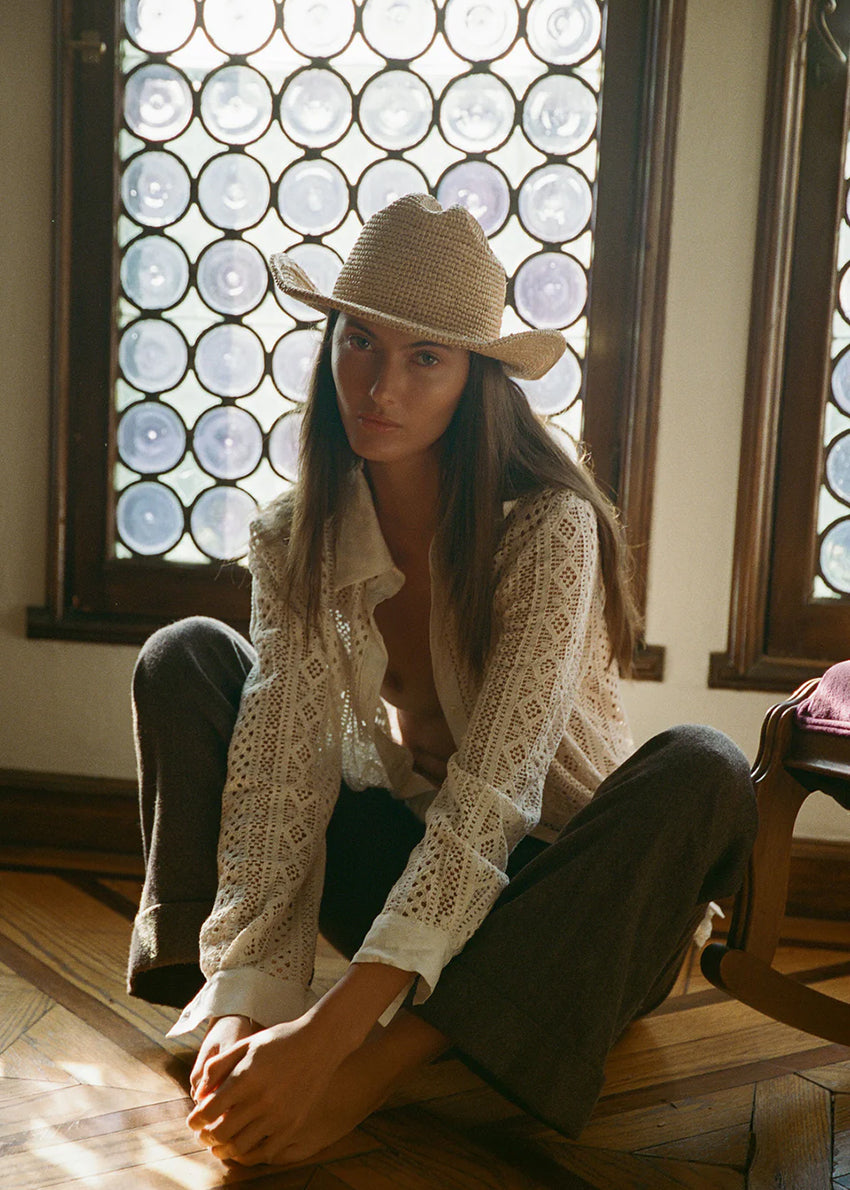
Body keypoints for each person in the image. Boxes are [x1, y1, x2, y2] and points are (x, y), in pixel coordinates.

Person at [127, 194, 757, 1168]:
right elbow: (276, 777)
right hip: (412, 864)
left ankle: (390, 1066)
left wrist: (341, 1051)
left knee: (705, 763)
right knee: (185, 655)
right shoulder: (295, 533)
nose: (380, 384)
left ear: (475, 379)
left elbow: (495, 800)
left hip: (573, 905)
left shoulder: (544, 525)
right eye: (360, 340)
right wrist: (244, 1014)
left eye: (425, 356)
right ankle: (228, 1013)